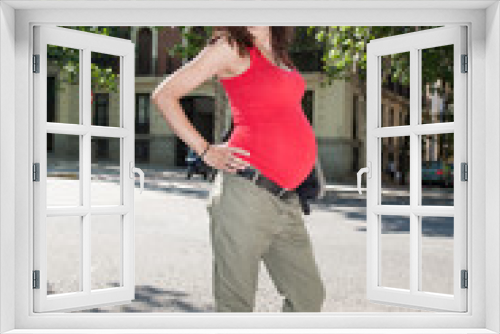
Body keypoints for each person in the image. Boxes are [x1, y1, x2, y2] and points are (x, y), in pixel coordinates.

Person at [151, 26, 325, 312]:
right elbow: (164, 95)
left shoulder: (278, 51)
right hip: (247, 194)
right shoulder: (231, 46)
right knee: (236, 307)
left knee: (308, 297)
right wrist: (206, 151)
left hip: (286, 198)